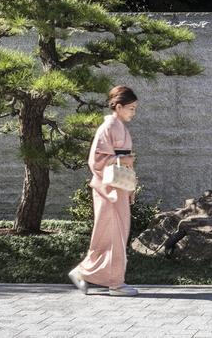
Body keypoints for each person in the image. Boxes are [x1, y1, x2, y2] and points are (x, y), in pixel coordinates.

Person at [69, 85, 139, 296]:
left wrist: (131, 186)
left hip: (119, 187)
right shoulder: (107, 128)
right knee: (110, 233)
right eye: (131, 108)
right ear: (118, 106)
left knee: (117, 234)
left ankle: (86, 272)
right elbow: (96, 160)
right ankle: (113, 283)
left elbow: (122, 160)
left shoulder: (120, 127)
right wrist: (121, 159)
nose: (133, 113)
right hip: (107, 188)